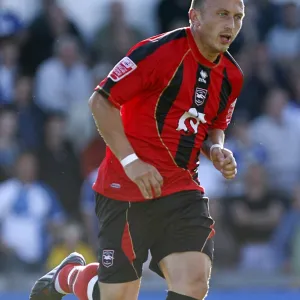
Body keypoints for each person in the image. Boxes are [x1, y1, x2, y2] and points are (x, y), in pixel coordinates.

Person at [30, 0, 245, 299]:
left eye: (238, 17)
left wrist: (217, 149)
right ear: (194, 17)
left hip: (182, 190)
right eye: (222, 14)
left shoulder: (233, 75)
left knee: (194, 282)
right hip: (126, 187)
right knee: (116, 296)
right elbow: (100, 101)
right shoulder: (158, 51)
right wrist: (132, 162)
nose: (231, 25)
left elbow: (210, 126)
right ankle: (69, 276)